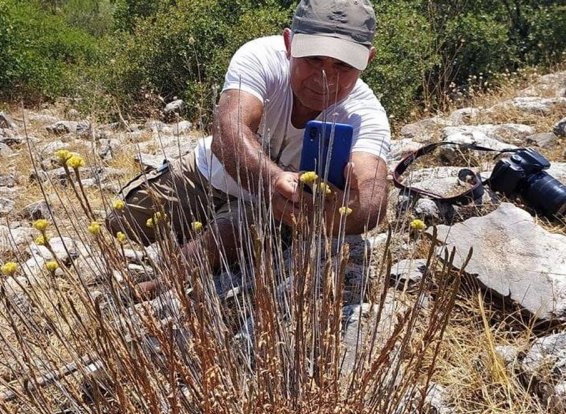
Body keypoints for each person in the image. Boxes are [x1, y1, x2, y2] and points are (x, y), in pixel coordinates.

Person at [107, 0, 390, 298]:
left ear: (367, 60)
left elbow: (373, 195)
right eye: (314, 59)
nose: (325, 77)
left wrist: (335, 213)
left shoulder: (365, 114)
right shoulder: (261, 56)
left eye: (343, 66)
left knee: (220, 241)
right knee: (116, 227)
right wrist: (272, 182)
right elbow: (229, 132)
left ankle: (157, 284)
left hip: (264, 210)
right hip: (204, 172)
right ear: (289, 43)